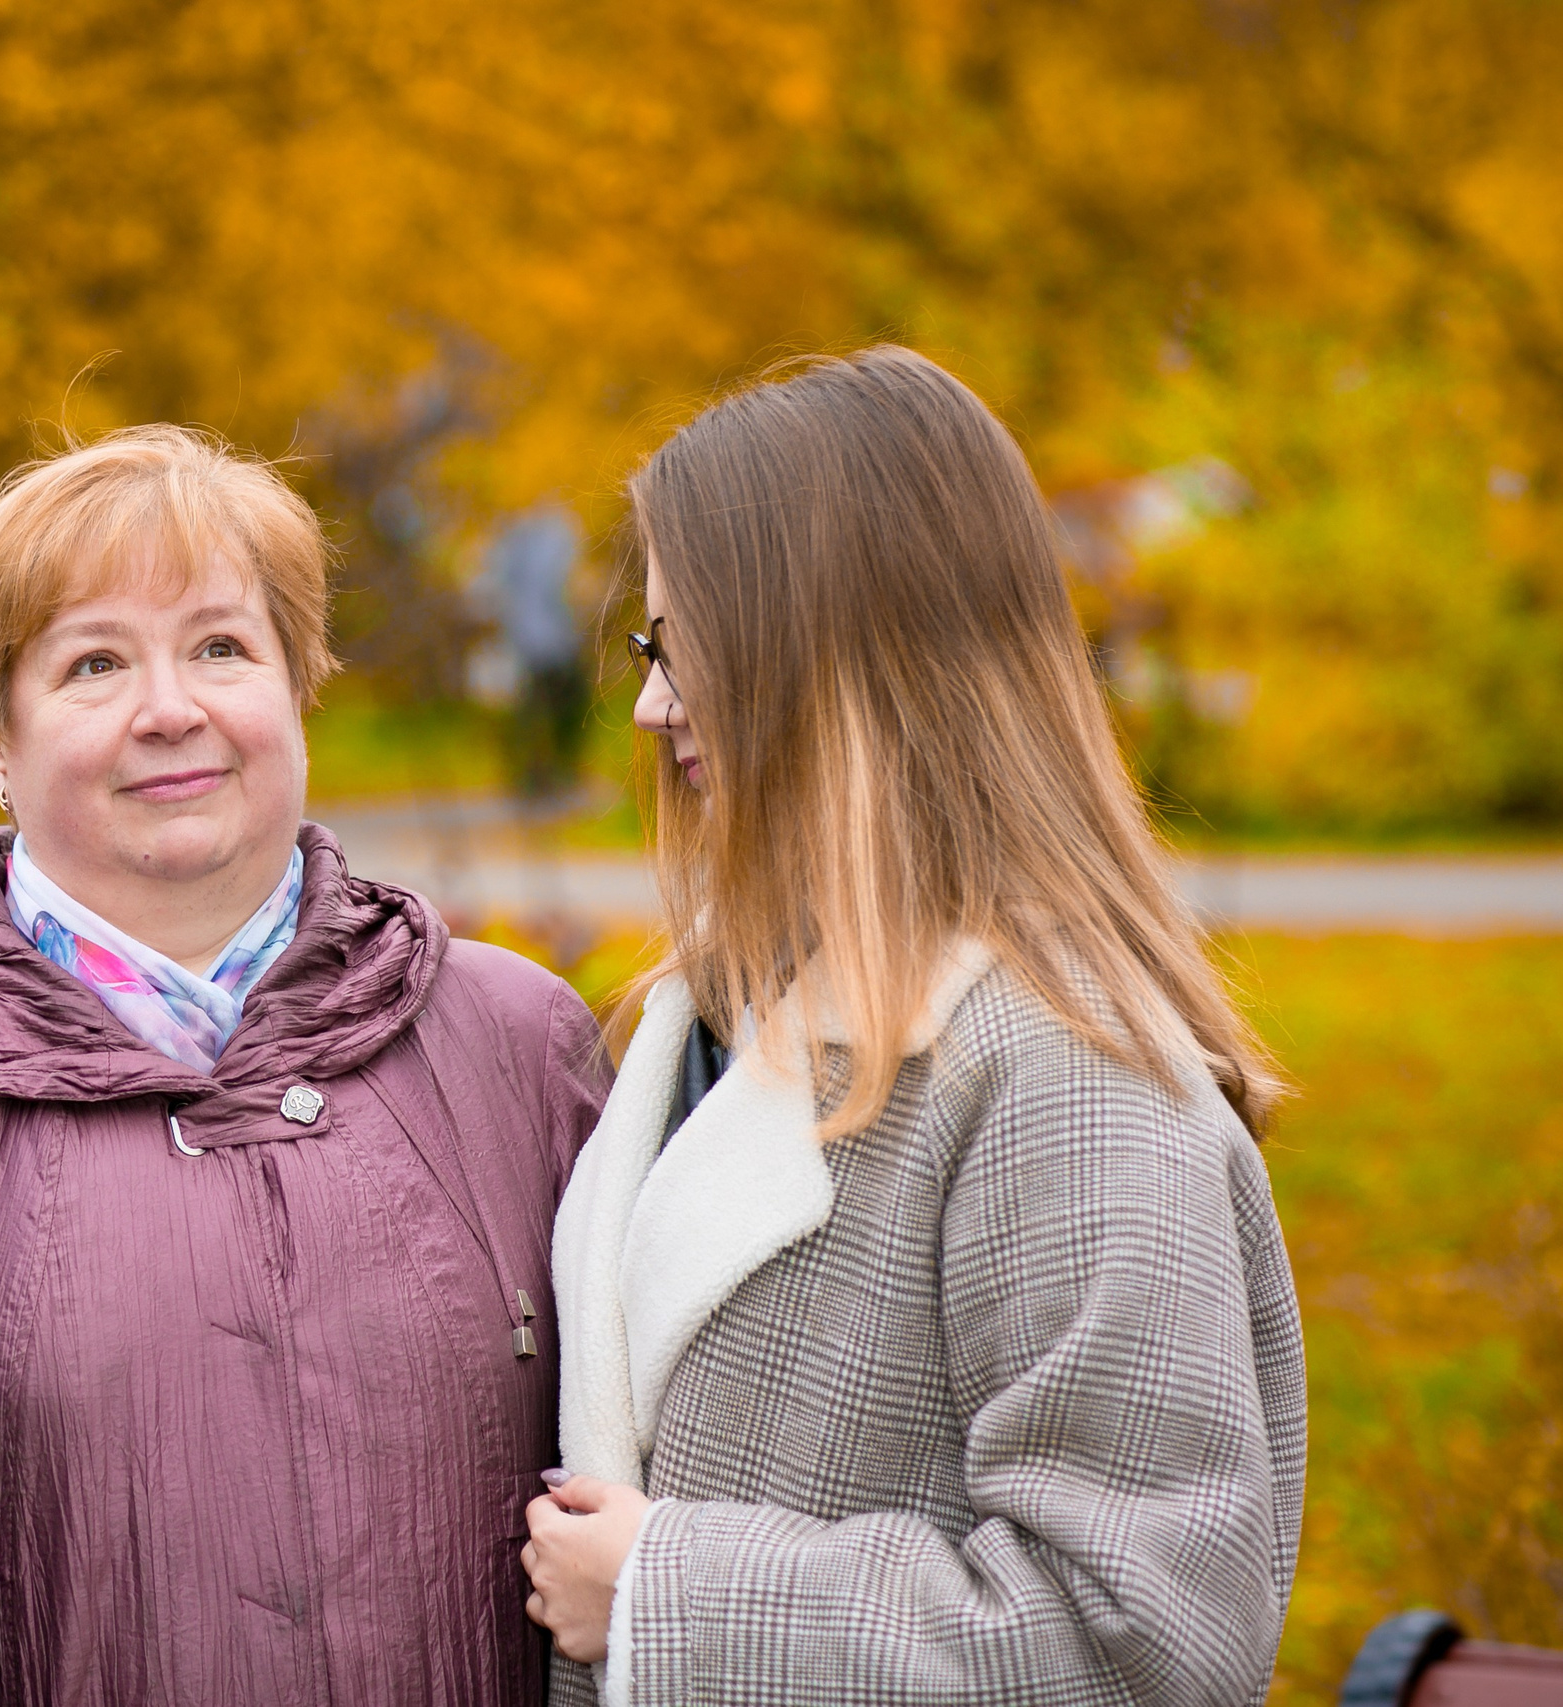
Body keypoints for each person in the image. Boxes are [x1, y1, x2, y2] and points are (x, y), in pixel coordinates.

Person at [0, 425, 610, 1707]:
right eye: (94, 663)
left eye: (221, 647)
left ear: (299, 688)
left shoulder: (518, 1042)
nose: (171, 710)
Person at [525, 348, 1307, 1707]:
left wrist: (665, 1593)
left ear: (838, 657)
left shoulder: (1072, 1080)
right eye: (650, 649)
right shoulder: (709, 1013)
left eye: (689, 647)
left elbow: (1146, 1641)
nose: (650, 705)